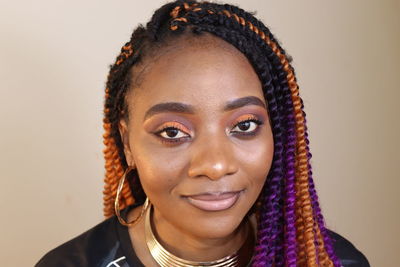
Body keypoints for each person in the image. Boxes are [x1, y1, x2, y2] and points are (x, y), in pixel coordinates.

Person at [36, 1, 369, 266]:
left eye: (245, 125)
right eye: (172, 132)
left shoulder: (334, 263)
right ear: (127, 144)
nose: (215, 165)